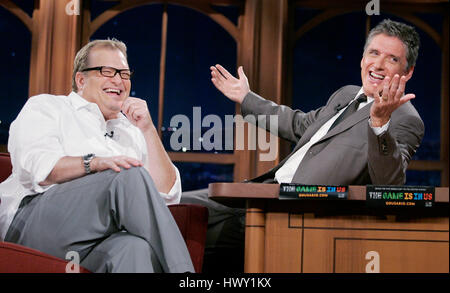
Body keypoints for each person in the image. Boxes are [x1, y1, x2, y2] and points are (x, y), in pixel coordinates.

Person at [181, 19, 424, 271]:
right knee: (169, 206)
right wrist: (246, 97)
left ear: (407, 72)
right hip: (259, 194)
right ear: (363, 59)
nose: (379, 64)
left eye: (392, 59)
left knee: (183, 239)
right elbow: (299, 123)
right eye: (374, 53)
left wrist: (380, 122)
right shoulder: (346, 94)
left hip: (293, 219)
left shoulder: (406, 119)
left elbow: (389, 184)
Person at [0, 39, 194, 273]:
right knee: (126, 173)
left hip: (95, 242)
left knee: (133, 248)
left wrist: (147, 129)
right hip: (33, 223)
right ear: (81, 80)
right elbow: (41, 168)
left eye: (124, 73)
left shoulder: (130, 131)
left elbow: (167, 197)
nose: (118, 80)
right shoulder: (48, 107)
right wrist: (95, 163)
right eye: (107, 71)